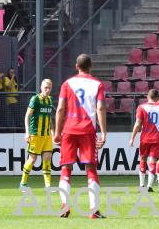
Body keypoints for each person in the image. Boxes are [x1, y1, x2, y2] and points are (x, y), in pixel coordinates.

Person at [53, 54, 107, 219]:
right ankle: (93, 211)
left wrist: (57, 131)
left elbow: (61, 109)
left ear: (77, 66)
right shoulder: (98, 84)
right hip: (88, 130)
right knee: (91, 169)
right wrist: (104, 132)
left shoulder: (67, 84)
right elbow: (100, 109)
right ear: (91, 66)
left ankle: (64, 207)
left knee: (65, 168)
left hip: (69, 130)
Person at [20, 79, 55, 189]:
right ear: (41, 87)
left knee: (47, 158)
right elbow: (27, 116)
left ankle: (48, 185)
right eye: (45, 88)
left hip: (47, 135)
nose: (47, 90)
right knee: (32, 159)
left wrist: (53, 133)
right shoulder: (35, 99)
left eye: (49, 88)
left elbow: (49, 118)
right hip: (35, 134)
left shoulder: (50, 100)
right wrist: (27, 132)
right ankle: (23, 183)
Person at [129, 89, 159, 191]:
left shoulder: (141, 107)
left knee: (143, 159)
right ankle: (149, 186)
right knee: (153, 161)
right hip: (156, 139)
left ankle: (141, 185)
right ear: (157, 97)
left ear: (148, 96)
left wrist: (132, 138)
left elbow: (137, 124)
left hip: (145, 138)